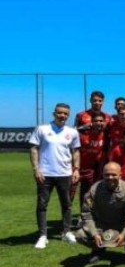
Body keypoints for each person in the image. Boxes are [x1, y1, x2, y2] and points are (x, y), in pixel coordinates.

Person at [30, 103, 81, 249]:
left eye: (65, 114)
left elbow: (76, 151)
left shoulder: (72, 132)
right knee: (42, 205)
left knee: (67, 204)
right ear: (54, 113)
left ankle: (66, 232)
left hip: (65, 173)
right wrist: (36, 169)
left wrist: (76, 169)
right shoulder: (42, 129)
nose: (63, 116)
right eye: (60, 113)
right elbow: (34, 149)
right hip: (45, 174)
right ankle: (43, 235)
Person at [75, 162, 125, 263]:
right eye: (107, 175)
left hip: (121, 224)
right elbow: (86, 213)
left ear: (120, 175)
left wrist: (124, 234)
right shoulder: (94, 189)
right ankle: (98, 249)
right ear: (102, 175)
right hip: (101, 225)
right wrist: (94, 233)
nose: (110, 177)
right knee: (80, 235)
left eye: (114, 174)